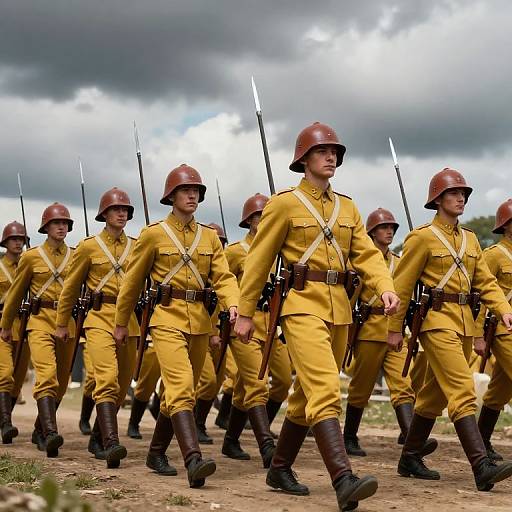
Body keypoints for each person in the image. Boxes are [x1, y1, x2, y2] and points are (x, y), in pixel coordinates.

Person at [235, 122, 399, 511]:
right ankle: (343, 479)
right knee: (325, 389)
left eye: (335, 153)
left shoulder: (348, 207)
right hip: (301, 305)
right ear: (303, 159)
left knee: (303, 396)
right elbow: (257, 262)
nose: (331, 157)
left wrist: (385, 284)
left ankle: (279, 467)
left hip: (340, 309)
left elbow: (366, 254)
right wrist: (244, 313)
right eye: (323, 152)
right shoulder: (284, 203)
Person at [114, 164, 239, 488]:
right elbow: (131, 283)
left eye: (196, 191)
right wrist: (120, 322)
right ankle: (193, 459)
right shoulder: (153, 234)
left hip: (199, 321)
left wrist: (234, 303)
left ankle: (156, 453)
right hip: (166, 319)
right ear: (171, 196)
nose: (192, 195)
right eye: (186, 190)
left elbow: (223, 278)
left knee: (180, 394)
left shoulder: (210, 237)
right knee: (182, 387)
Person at [388, 168, 512, 491]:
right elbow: (401, 288)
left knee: (434, 395)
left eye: (464, 194)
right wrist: (393, 328)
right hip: (436, 321)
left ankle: (410, 456)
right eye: (454, 193)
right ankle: (481, 465)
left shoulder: (471, 239)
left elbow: (485, 282)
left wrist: (503, 308)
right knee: (462, 389)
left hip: (464, 322)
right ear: (438, 199)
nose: (461, 198)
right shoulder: (421, 238)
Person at [56, 188, 139, 468]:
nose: (122, 213)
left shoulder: (139, 245)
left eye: (125, 209)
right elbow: (69, 289)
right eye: (116, 209)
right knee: (108, 378)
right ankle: (112, 442)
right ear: (104, 214)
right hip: (99, 318)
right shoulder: (88, 247)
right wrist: (61, 323)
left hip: (130, 322)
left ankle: (97, 436)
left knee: (123, 382)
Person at [344, 208, 435, 457]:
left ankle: (410, 438)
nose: (389, 231)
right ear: (372, 232)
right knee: (361, 387)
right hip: (369, 330)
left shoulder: (399, 260)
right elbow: (350, 298)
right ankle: (349, 436)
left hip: (395, 330)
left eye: (392, 228)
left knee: (403, 385)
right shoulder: (361, 262)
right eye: (384, 228)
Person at [1, 203, 76, 457]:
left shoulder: (76, 255)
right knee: (47, 376)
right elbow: (15, 294)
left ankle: (40, 428)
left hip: (68, 323)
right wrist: (5, 325)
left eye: (65, 223)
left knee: (63, 383)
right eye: (57, 223)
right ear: (46, 227)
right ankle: (51, 433)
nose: (61, 227)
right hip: (39, 321)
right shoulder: (31, 257)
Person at [475, 199, 512, 461]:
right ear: (507, 226)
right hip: (501, 329)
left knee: (501, 388)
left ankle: (480, 441)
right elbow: (479, 295)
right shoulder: (494, 255)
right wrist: (477, 334)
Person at [0, 221, 30, 444]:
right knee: (5, 373)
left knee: (17, 379)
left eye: (21, 239)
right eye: (14, 239)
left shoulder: (29, 265)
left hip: (25, 326)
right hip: (1, 325)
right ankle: (6, 423)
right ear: (5, 242)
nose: (18, 242)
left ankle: (4, 419)